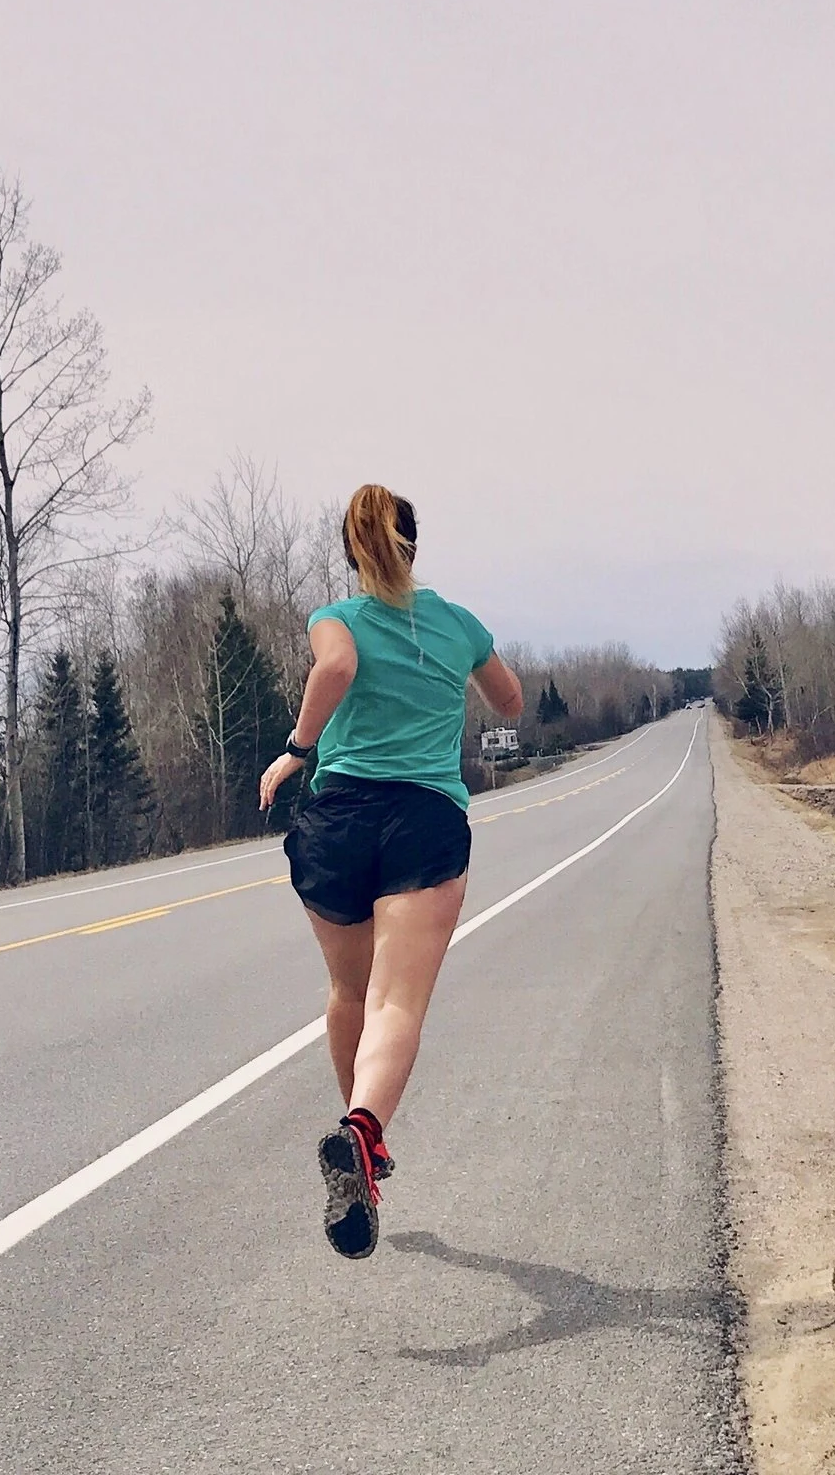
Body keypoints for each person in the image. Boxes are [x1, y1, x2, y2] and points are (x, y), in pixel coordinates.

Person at [259, 484, 523, 1259]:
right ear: (416, 544)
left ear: (350, 553)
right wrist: (457, 676)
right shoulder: (458, 624)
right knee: (397, 1001)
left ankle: (360, 1147)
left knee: (349, 991)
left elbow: (337, 663)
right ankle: (363, 1135)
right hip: (422, 819)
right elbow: (508, 703)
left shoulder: (335, 617)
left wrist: (302, 749)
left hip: (337, 819)